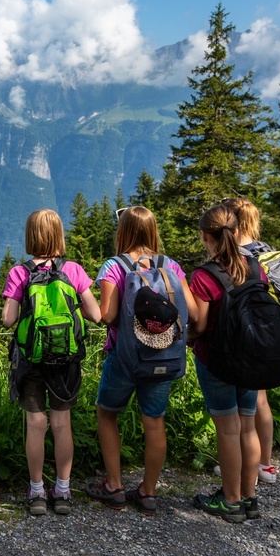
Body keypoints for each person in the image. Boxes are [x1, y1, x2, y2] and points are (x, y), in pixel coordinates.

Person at [84, 206, 196, 516]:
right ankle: (148, 493)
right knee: (154, 421)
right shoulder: (171, 266)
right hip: (164, 356)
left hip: (124, 358)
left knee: (107, 414)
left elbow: (106, 315)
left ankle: (114, 486)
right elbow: (194, 313)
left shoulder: (114, 266)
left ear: (123, 232)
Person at [2, 209, 101, 516]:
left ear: (30, 236)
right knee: (61, 424)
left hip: (32, 361)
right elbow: (96, 315)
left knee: (36, 424)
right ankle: (63, 491)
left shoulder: (20, 273)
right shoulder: (73, 270)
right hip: (66, 361)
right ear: (59, 235)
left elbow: (8, 320)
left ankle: (36, 494)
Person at [188, 204, 265, 523]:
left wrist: (189, 337)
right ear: (235, 232)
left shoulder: (205, 276)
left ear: (206, 237)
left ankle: (230, 501)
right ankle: (248, 498)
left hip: (217, 361)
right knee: (248, 425)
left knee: (227, 429)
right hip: (252, 358)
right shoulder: (256, 267)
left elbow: (201, 325)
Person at [220, 196, 280, 484]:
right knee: (261, 400)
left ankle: (244, 470)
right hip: (273, 335)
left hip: (247, 338)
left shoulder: (240, 258)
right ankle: (265, 465)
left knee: (244, 412)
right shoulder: (270, 254)